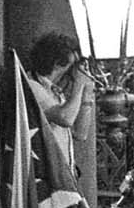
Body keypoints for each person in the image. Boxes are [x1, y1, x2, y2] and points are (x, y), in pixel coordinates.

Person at [21, 31, 93, 176]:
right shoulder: (32, 86)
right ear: (58, 64)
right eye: (75, 64)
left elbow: (80, 133)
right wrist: (79, 84)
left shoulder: (55, 92)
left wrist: (87, 94)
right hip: (45, 177)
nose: (78, 69)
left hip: (63, 175)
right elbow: (65, 118)